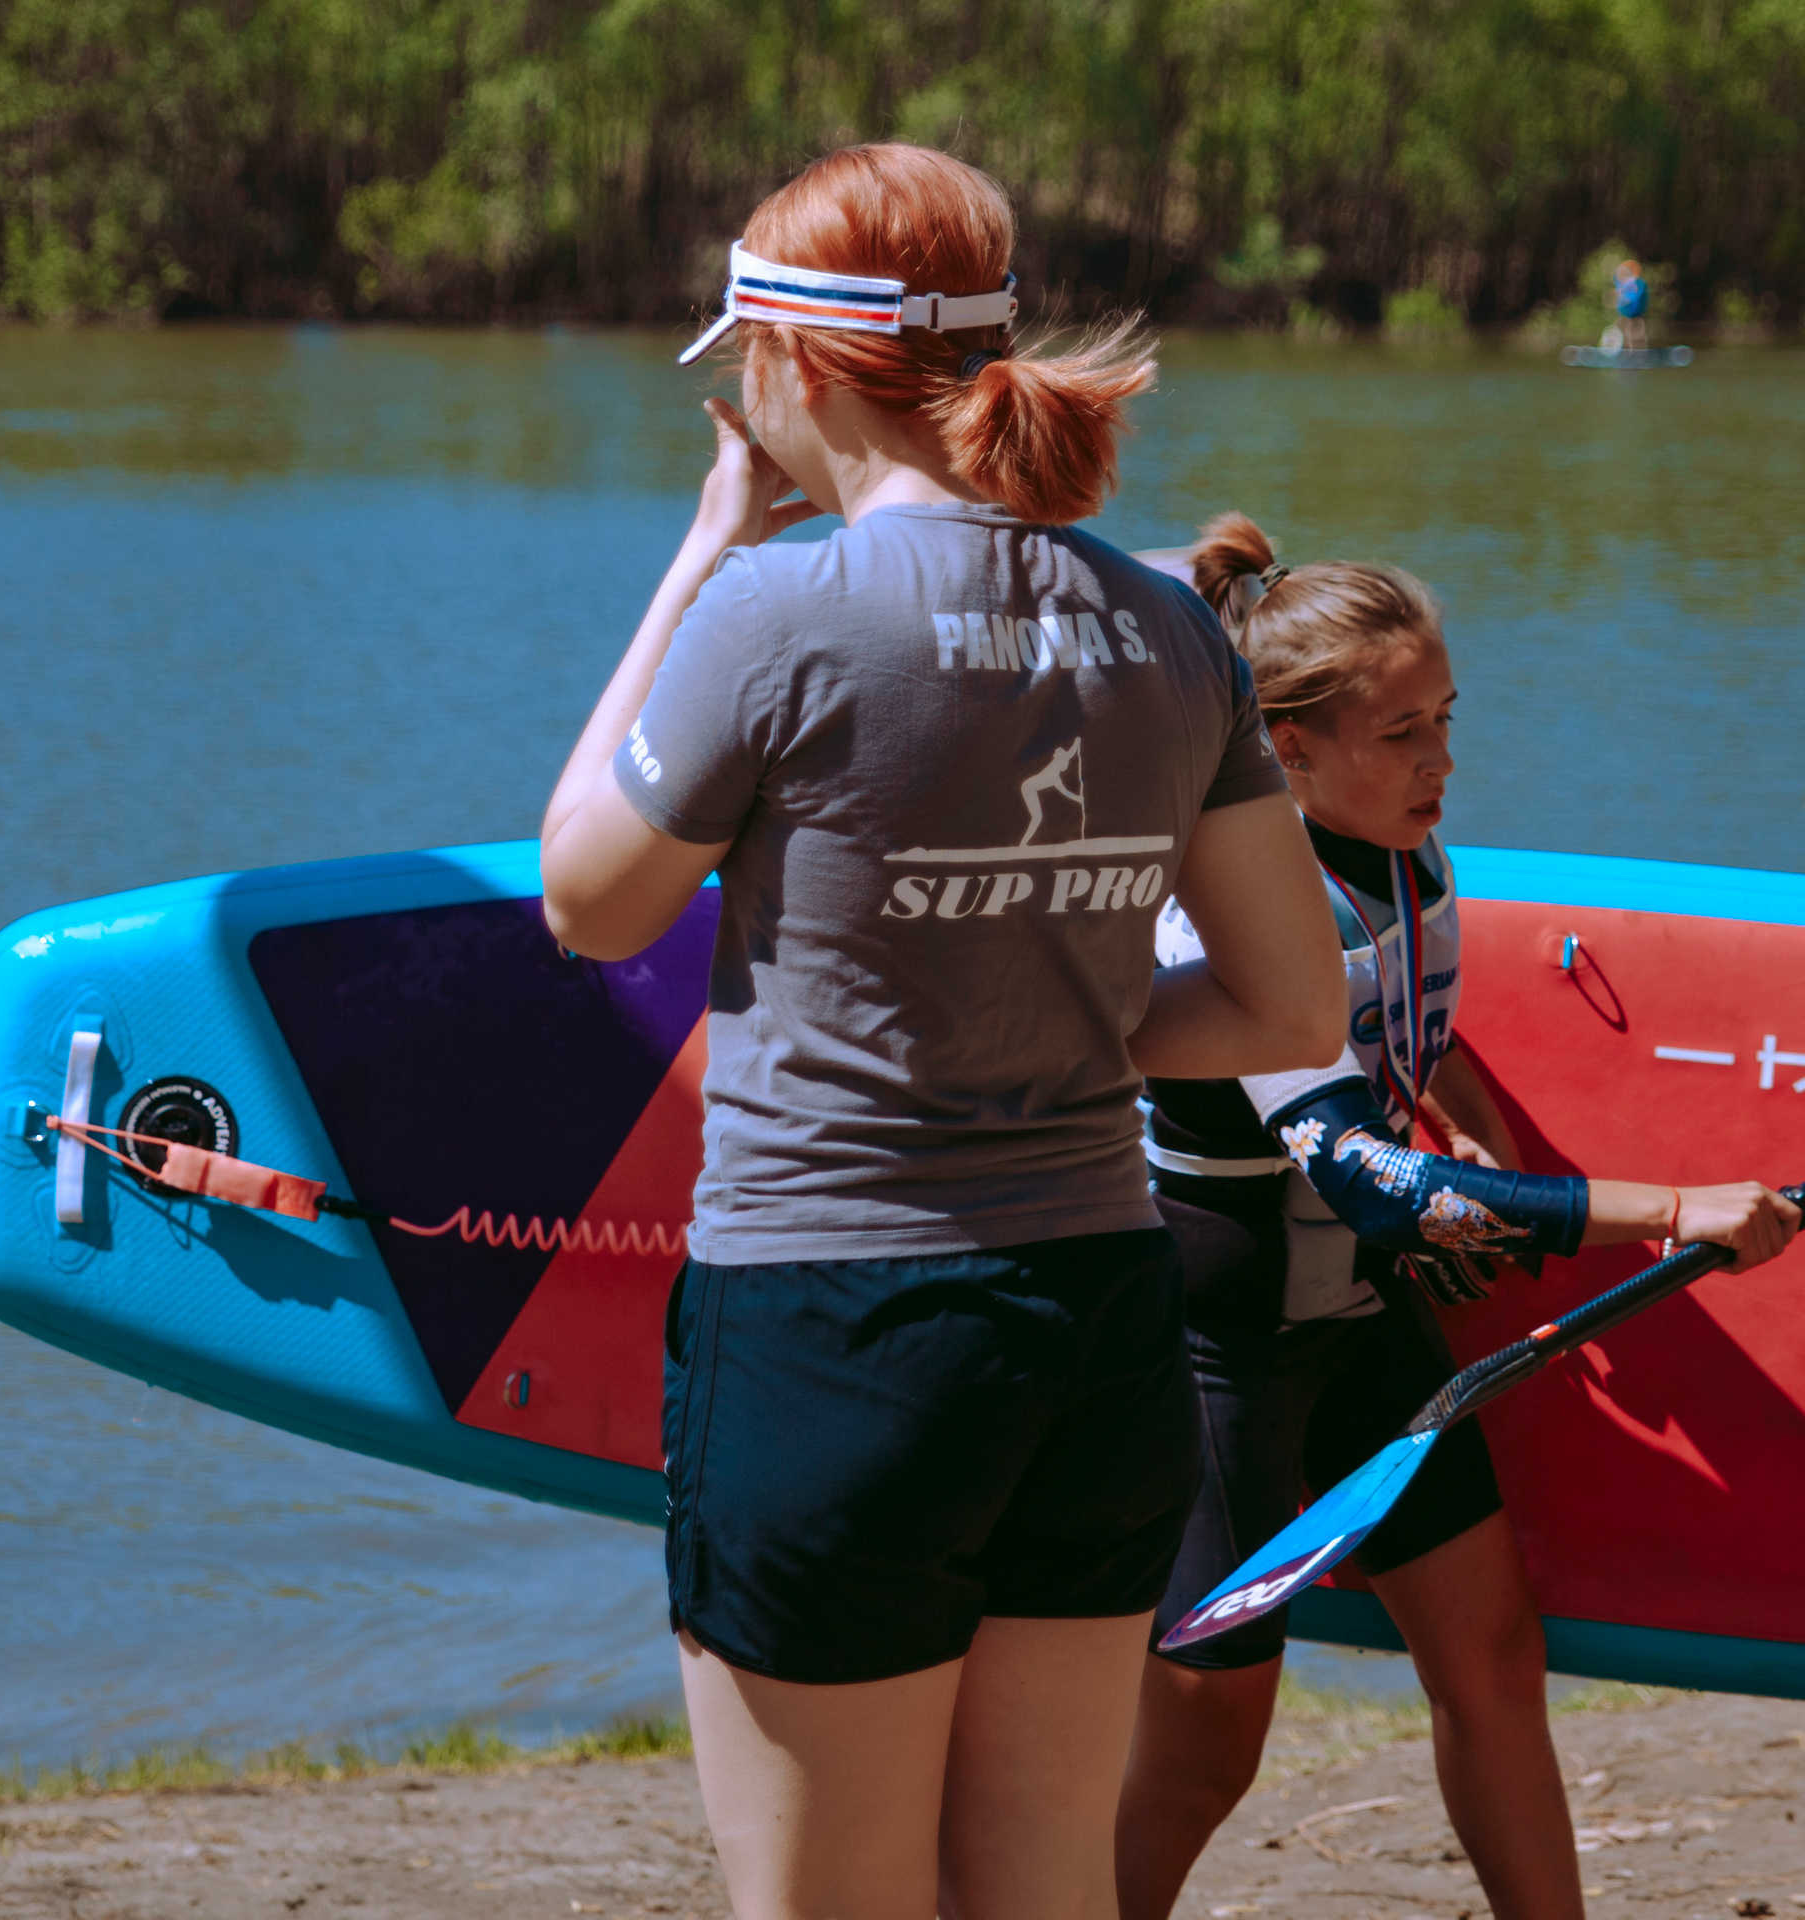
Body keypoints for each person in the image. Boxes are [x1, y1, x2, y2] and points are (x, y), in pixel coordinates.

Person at [537, 148, 1346, 1920]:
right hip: (1099, 1329)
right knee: (1043, 1890)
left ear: (791, 369)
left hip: (839, 1330)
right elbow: (1294, 1004)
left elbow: (588, 903)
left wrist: (698, 553)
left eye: (728, 365)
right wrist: (1050, 1018)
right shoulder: (1165, 626)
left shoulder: (780, 612)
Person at [1114, 515, 1803, 1920]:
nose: (1440, 760)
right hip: (1214, 1358)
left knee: (1491, 1656)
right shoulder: (1234, 906)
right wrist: (1669, 1212)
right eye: (1399, 733)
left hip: (1362, 1322)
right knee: (1205, 1757)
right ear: (1284, 752)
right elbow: (1376, 1179)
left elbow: (1398, 1027)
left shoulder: (1398, 855)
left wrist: (1474, 1110)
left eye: (1446, 719)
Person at [1614, 258, 1650, 352]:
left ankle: (1639, 353)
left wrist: (1626, 298)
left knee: (1637, 336)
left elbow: (1635, 296)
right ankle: (1624, 352)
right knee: (1623, 334)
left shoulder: (1638, 284)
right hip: (1624, 315)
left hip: (1636, 315)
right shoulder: (1622, 284)